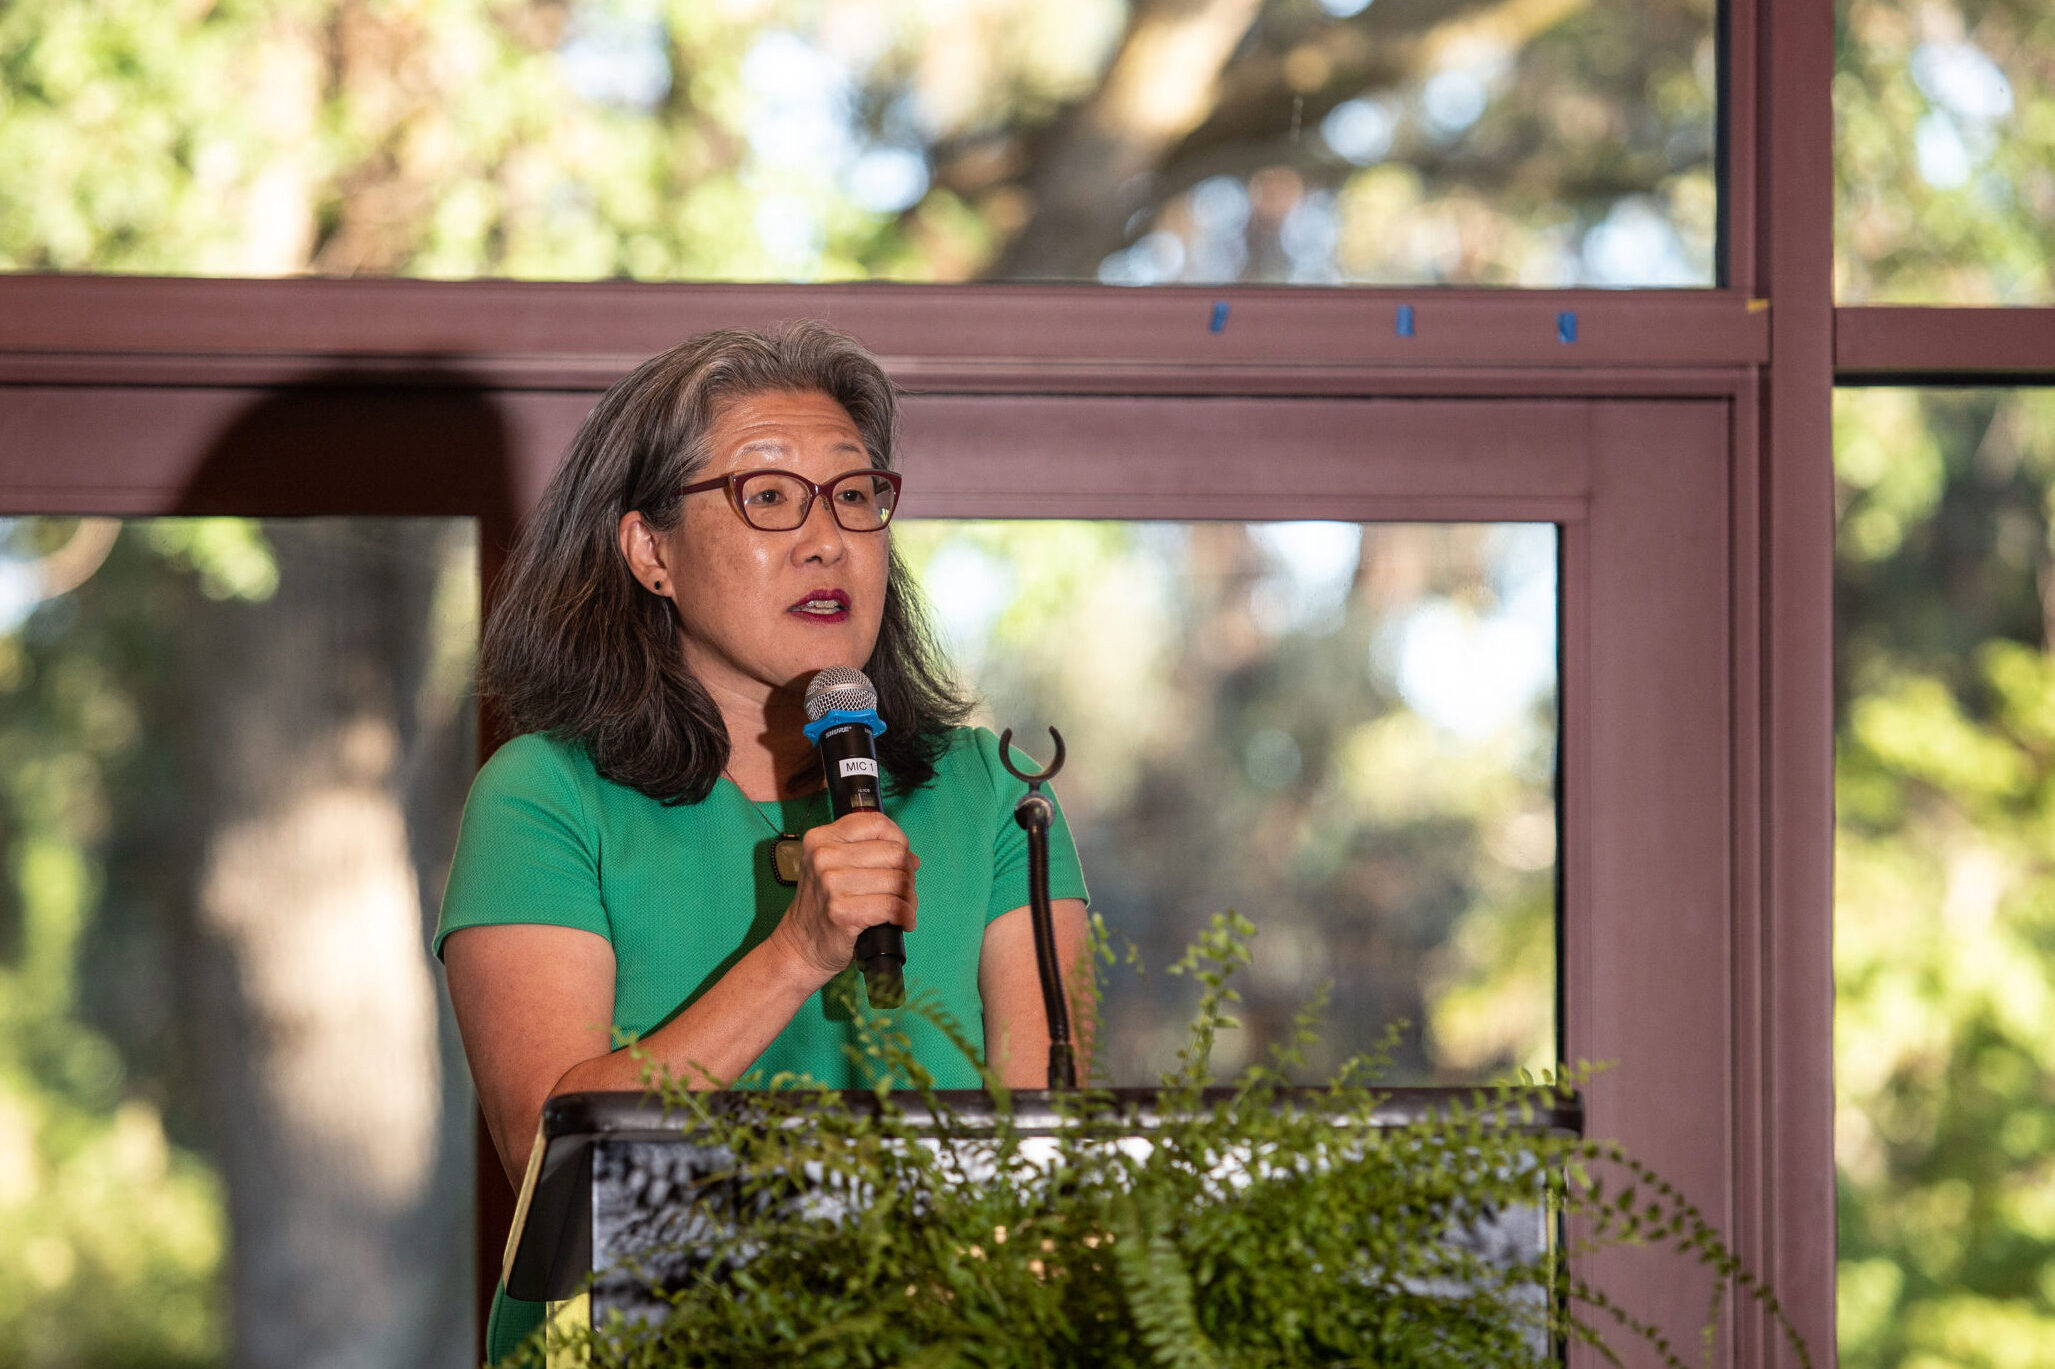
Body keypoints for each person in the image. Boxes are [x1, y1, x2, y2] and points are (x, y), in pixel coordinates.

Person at [434, 321, 1090, 1361]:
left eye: (856, 495)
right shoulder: (544, 795)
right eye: (770, 497)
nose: (827, 540)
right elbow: (551, 1161)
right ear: (650, 549)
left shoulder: (994, 796)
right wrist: (796, 956)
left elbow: (1042, 1168)